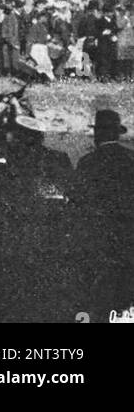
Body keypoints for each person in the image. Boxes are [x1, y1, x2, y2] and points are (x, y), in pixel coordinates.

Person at [69, 109, 134, 317]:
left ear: (98, 135)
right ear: (117, 134)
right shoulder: (131, 160)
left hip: (96, 237)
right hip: (128, 236)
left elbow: (77, 201)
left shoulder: (87, 163)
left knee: (98, 296)